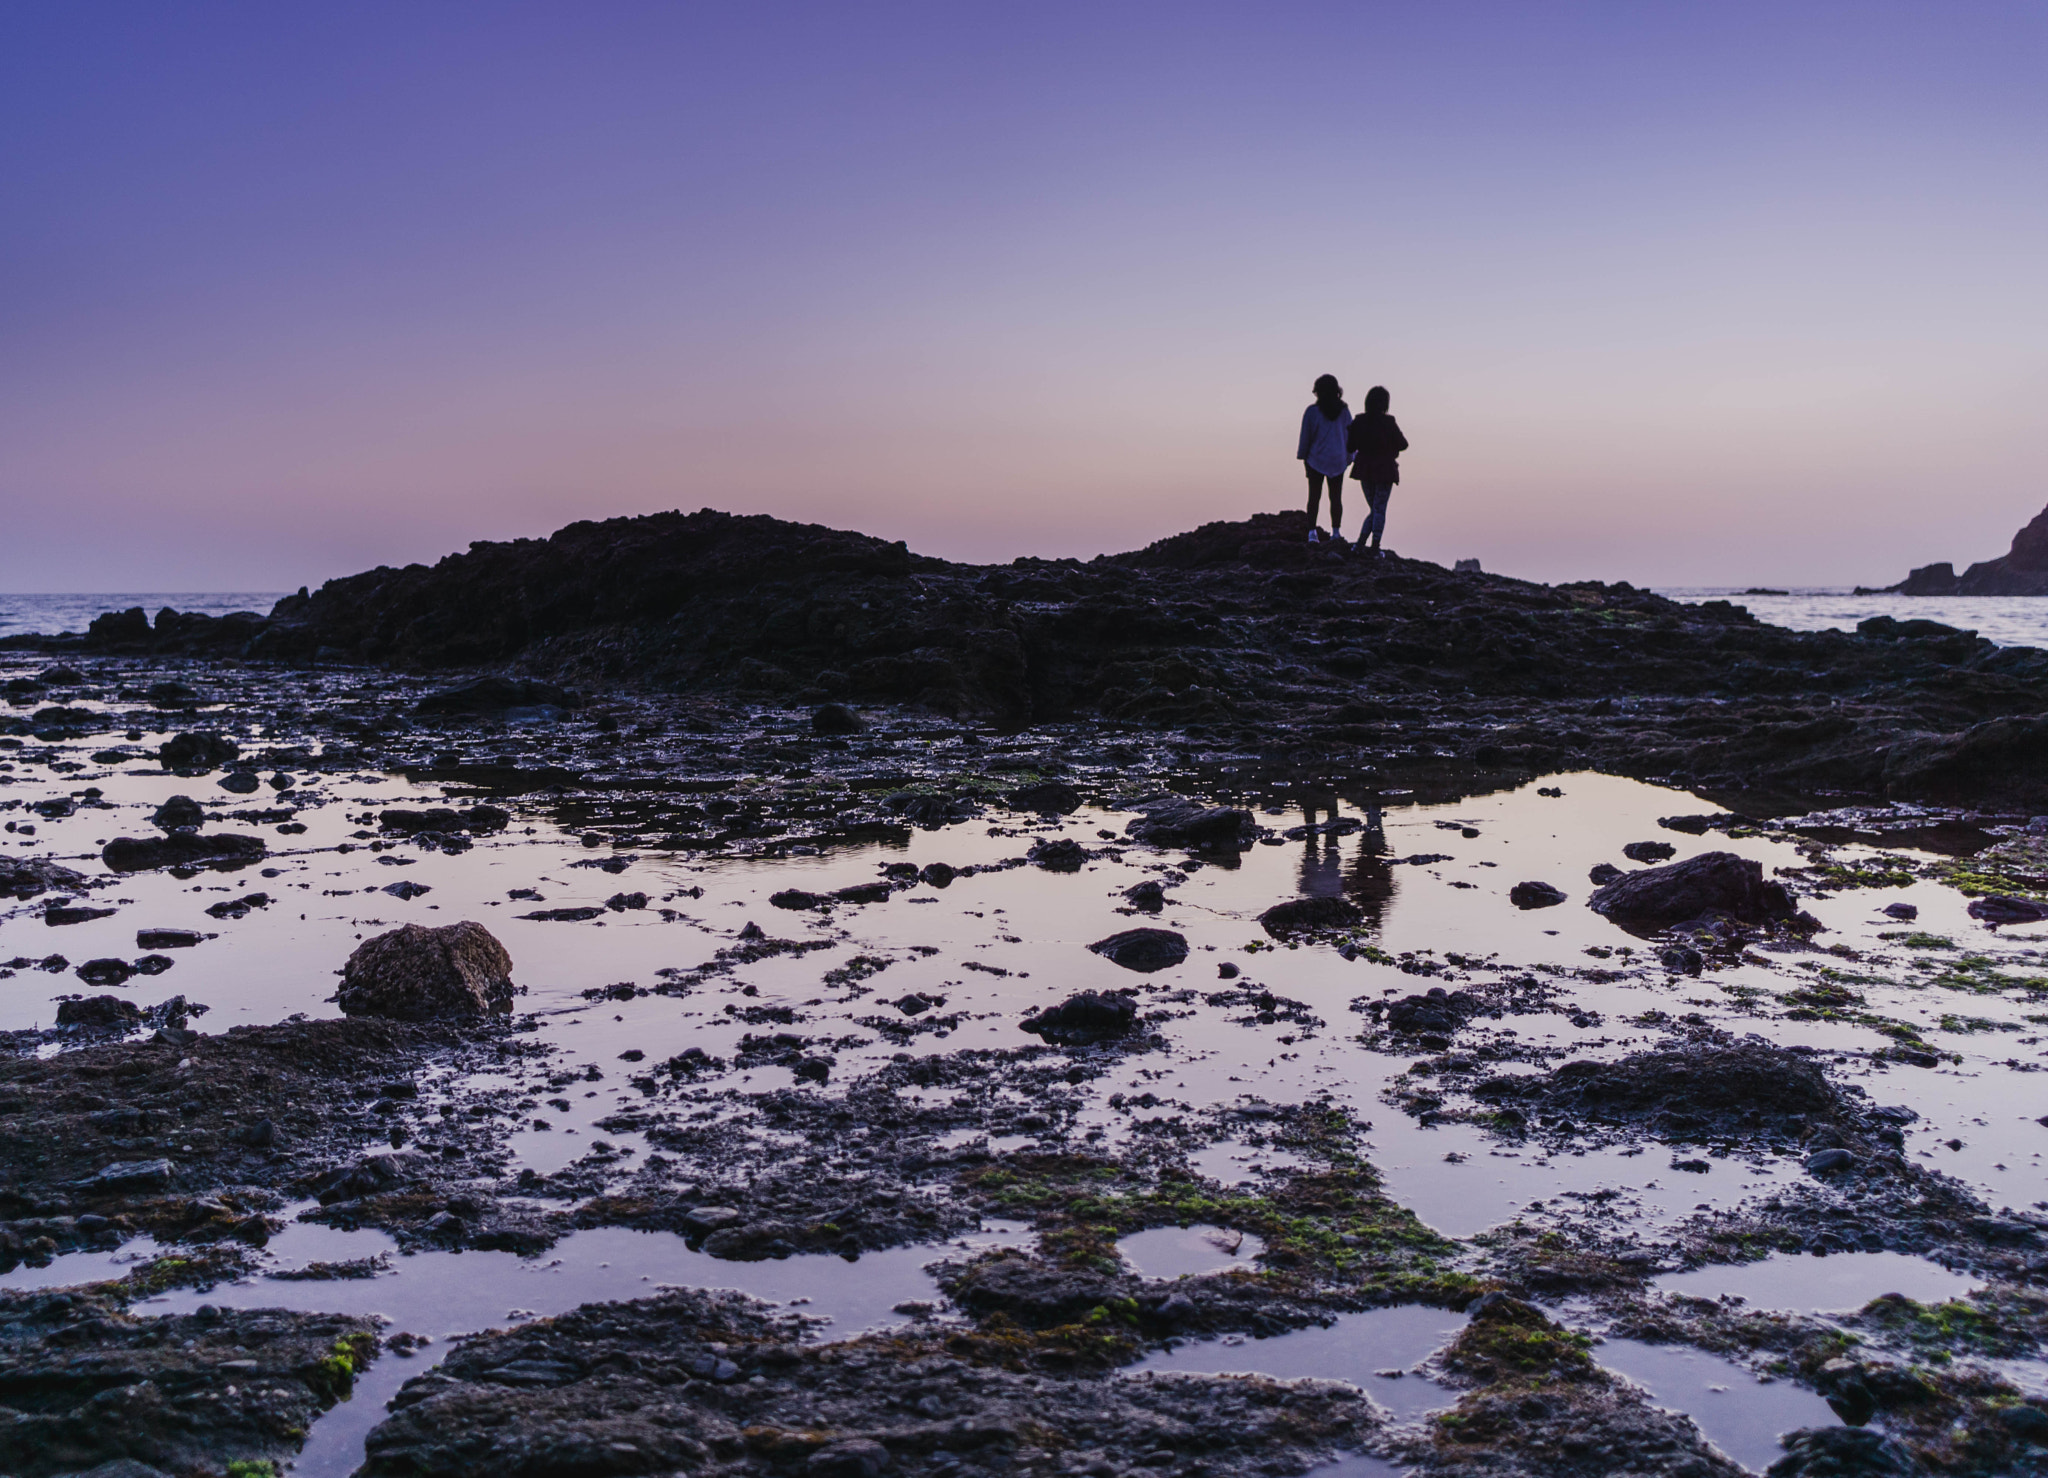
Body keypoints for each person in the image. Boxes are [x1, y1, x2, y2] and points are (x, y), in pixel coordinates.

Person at [1347, 385, 1409, 556]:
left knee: (1375, 509)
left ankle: (1359, 545)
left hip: (1364, 469)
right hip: (1385, 470)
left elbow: (1350, 446)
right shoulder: (1388, 422)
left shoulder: (1358, 421)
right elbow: (1403, 444)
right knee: (1379, 509)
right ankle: (1374, 547)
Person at [1296, 374, 1352, 546]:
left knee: (1314, 496)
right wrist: (1350, 458)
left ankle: (1312, 533)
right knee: (1336, 497)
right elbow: (1350, 435)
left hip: (1316, 459)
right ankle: (1336, 533)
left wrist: (1303, 456)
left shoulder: (1312, 412)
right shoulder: (1344, 411)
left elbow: (1306, 437)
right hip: (1338, 459)